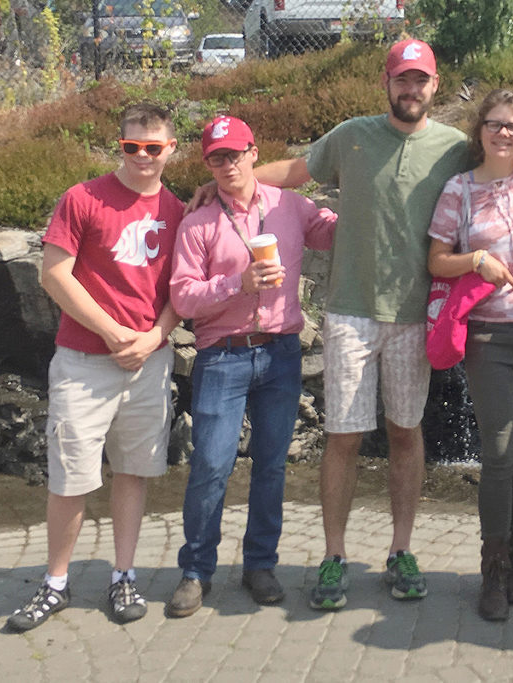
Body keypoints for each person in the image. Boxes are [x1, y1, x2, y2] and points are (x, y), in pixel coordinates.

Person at [194, 39, 469, 609]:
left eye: (420, 80)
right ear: (386, 83)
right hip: (349, 312)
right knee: (343, 436)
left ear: (435, 85)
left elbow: (498, 176)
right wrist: (231, 184)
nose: (410, 89)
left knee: (405, 432)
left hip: (416, 315)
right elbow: (294, 170)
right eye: (401, 79)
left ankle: (400, 549)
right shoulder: (352, 135)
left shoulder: (455, 148)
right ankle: (334, 555)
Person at [6, 102, 183, 631]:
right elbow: (54, 275)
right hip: (86, 362)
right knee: (71, 477)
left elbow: (180, 290)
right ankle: (55, 583)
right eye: (132, 147)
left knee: (133, 472)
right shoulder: (82, 199)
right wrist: (112, 332)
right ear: (120, 145)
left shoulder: (176, 210)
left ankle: (122, 575)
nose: (143, 157)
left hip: (148, 362)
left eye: (154, 148)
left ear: (170, 149)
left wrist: (154, 336)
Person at [166, 116, 336, 617]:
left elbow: (333, 234)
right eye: (217, 157)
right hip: (223, 354)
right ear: (208, 164)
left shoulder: (289, 205)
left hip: (281, 352)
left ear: (253, 153)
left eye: (235, 153)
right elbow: (183, 297)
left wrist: (370, 194)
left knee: (271, 467)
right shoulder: (197, 223)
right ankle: (196, 571)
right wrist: (236, 285)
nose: (227, 164)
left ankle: (260, 564)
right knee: (211, 466)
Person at [427, 89, 513, 621]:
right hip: (488, 335)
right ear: (478, 130)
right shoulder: (459, 189)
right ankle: (493, 567)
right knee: (500, 455)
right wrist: (476, 259)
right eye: (494, 124)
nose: (503, 133)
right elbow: (437, 260)